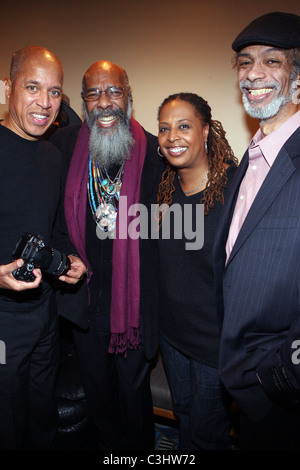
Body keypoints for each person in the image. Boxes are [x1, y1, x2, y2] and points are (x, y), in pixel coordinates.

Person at [51, 60, 164, 450]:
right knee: (97, 398)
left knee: (134, 398)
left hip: (131, 307)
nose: (104, 102)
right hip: (83, 304)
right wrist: (66, 255)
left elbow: (165, 234)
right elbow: (53, 221)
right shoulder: (62, 146)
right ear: (83, 100)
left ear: (128, 95)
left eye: (113, 91)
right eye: (93, 93)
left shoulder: (154, 154)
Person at [213, 12, 300, 449]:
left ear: (297, 76)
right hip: (242, 384)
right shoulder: (249, 158)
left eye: (273, 61)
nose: (254, 73)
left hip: (282, 394)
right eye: (246, 63)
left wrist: (280, 374)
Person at [0, 46, 87, 450]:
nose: (45, 103)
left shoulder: (53, 155)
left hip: (44, 312)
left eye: (54, 92)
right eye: (32, 87)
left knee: (42, 416)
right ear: (7, 88)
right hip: (3, 320)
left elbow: (53, 227)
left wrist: (70, 259)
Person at [154, 92, 238, 449]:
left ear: (205, 130)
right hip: (171, 336)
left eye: (184, 126)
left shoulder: (236, 190)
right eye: (164, 128)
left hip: (214, 344)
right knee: (185, 414)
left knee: (207, 432)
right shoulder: (163, 188)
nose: (173, 136)